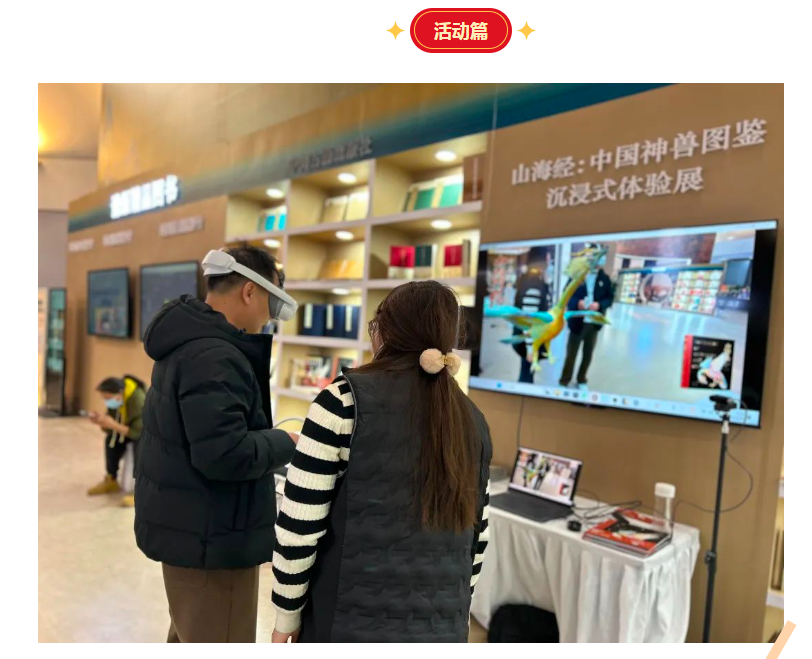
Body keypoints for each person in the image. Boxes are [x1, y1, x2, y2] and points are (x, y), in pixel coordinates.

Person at [271, 280, 492, 643]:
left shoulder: (342, 402)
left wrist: (286, 615)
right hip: (443, 630)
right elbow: (477, 542)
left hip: (344, 626)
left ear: (385, 331)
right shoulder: (472, 419)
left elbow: (298, 528)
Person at [134, 246, 298, 643]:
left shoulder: (190, 341)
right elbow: (224, 453)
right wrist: (286, 442)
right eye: (272, 302)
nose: (269, 317)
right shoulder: (214, 355)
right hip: (213, 540)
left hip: (193, 532)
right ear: (249, 291)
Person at [86, 374, 147, 507]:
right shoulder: (117, 400)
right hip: (128, 431)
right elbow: (112, 426)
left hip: (144, 434)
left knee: (140, 445)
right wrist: (101, 422)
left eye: (108, 398)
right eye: (104, 399)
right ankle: (111, 479)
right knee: (110, 440)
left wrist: (113, 425)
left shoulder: (137, 399)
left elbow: (138, 432)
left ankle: (141, 491)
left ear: (119, 393)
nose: (107, 402)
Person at [559, 244, 614, 390]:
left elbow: (610, 298)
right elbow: (566, 295)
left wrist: (599, 305)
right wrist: (577, 303)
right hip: (577, 321)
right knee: (571, 354)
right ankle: (564, 380)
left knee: (588, 354)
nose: (599, 260)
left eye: (601, 257)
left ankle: (582, 379)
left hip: (593, 323)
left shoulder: (605, 279)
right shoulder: (578, 275)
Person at [512, 247, 553, 383]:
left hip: (529, 339)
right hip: (530, 341)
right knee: (526, 376)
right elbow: (528, 320)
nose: (549, 261)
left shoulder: (530, 280)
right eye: (547, 258)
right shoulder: (534, 284)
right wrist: (531, 349)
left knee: (526, 373)